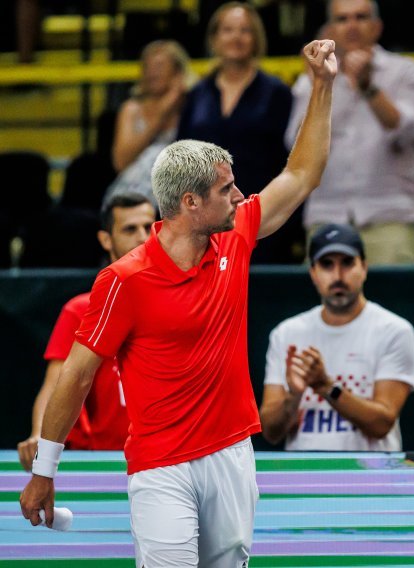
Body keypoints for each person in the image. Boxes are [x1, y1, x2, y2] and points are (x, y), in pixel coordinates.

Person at [19, 39, 336, 568]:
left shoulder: (235, 236)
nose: (240, 197)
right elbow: (72, 377)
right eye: (227, 189)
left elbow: (302, 174)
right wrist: (45, 472)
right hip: (160, 466)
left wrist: (323, 86)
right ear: (191, 203)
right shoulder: (124, 279)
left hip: (233, 455)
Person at [16, 194, 156, 471]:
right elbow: (57, 384)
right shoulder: (80, 310)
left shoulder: (180, 300)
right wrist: (38, 437)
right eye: (130, 229)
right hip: (103, 461)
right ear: (106, 240)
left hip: (167, 459)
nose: (143, 237)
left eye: (149, 227)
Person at [285, 0, 414, 265]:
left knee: (394, 302)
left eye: (360, 17)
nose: (351, 26)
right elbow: (296, 146)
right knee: (325, 305)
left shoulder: (405, 70)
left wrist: (368, 87)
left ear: (377, 27)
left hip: (389, 218)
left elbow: (409, 132)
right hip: (326, 216)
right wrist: (320, 85)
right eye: (342, 19)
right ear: (330, 29)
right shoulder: (314, 78)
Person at [260, 223, 414, 450]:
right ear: (313, 273)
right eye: (327, 264)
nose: (337, 275)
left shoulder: (394, 331)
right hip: (303, 477)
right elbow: (271, 431)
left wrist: (325, 386)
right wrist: (294, 396)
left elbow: (382, 423)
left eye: (347, 262)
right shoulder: (286, 333)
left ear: (364, 267)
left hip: (372, 478)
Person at [178, 2, 296, 263]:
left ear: (256, 38)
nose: (236, 37)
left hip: (262, 216)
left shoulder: (277, 92)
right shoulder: (197, 95)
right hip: (204, 220)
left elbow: (289, 157)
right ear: (215, 39)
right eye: (228, 30)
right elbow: (180, 157)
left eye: (245, 30)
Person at [106, 40, 192, 207]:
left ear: (177, 71)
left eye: (160, 66)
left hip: (179, 193)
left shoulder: (192, 107)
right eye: (148, 66)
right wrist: (163, 110)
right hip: (133, 189)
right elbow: (121, 162)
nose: (152, 72)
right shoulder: (131, 108)